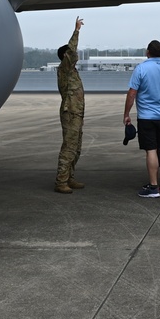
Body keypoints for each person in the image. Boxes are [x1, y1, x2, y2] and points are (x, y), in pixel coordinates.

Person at [124, 40, 160, 198]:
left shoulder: (141, 68)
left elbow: (132, 93)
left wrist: (126, 114)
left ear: (148, 52)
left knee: (151, 150)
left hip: (146, 117)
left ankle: (154, 187)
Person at [54, 17, 86, 194]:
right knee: (69, 148)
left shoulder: (72, 70)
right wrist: (76, 31)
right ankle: (61, 181)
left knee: (77, 148)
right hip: (70, 113)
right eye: (71, 54)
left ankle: (69, 177)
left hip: (77, 113)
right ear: (66, 57)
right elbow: (72, 50)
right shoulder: (64, 69)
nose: (76, 55)